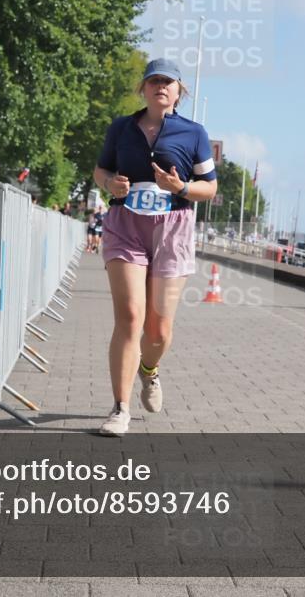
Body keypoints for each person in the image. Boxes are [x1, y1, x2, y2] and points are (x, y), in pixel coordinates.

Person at [92, 58, 218, 436]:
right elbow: (100, 170)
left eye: (168, 82)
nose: (160, 86)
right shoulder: (121, 128)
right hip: (125, 224)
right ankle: (120, 407)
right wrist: (110, 183)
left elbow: (209, 188)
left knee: (158, 330)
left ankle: (150, 370)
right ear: (143, 89)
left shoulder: (193, 133)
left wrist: (178, 188)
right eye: (153, 81)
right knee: (130, 316)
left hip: (173, 228)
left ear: (179, 91)